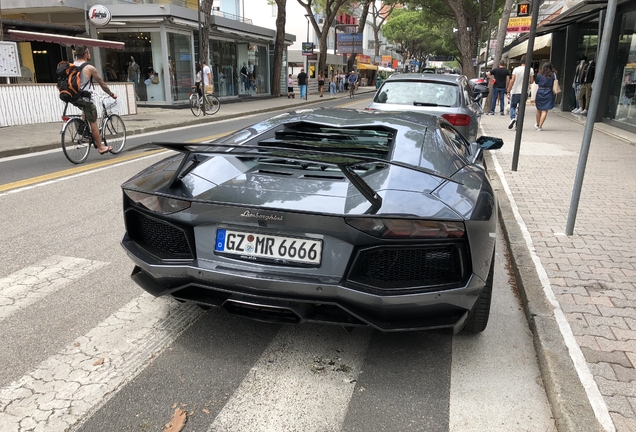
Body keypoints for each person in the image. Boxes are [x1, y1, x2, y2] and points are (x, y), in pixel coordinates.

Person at [72, 45, 117, 155]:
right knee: (93, 122)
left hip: (73, 97)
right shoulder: (90, 68)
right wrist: (111, 94)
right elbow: (102, 84)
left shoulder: (71, 65)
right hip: (85, 98)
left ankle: (85, 135)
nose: (90, 55)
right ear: (86, 54)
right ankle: (101, 147)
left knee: (85, 113)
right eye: (89, 53)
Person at [506, 55, 534, 129]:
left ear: (521, 61)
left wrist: (508, 90)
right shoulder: (530, 70)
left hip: (515, 91)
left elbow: (512, 81)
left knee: (513, 106)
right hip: (525, 92)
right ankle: (518, 125)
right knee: (521, 108)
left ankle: (512, 117)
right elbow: (531, 81)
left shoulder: (516, 69)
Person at [534, 62, 557, 131]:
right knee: (544, 110)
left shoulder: (539, 74)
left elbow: (536, 82)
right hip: (549, 92)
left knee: (538, 109)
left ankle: (537, 124)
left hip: (540, 92)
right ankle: (540, 126)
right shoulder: (553, 75)